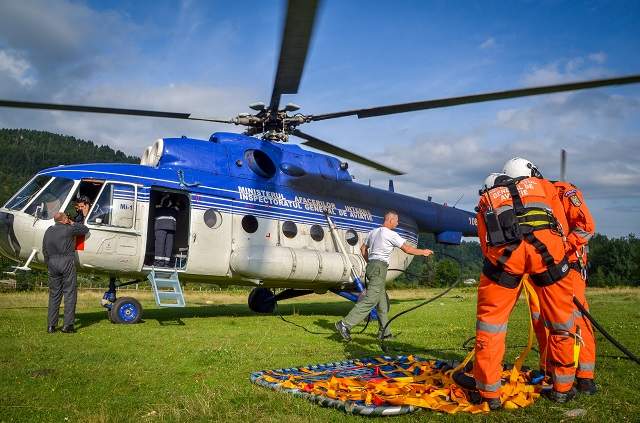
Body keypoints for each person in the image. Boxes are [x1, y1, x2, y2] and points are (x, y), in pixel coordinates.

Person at [472, 157, 582, 408]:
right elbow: (561, 226)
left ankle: (489, 393)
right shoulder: (544, 186)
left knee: (491, 324)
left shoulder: (487, 198)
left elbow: (484, 241)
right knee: (561, 321)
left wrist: (498, 266)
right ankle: (563, 388)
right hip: (548, 255)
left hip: (504, 259)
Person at [530, 179, 597, 394]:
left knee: (576, 317)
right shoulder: (528, 196)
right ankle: (551, 369)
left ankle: (585, 377)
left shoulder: (564, 192)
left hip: (569, 266)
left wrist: (562, 248)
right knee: (541, 318)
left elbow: (586, 227)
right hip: (543, 269)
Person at [335, 210, 433, 342]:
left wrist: (370, 262)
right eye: (396, 221)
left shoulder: (373, 232)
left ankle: (384, 333)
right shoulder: (391, 234)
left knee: (382, 305)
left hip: (372, 267)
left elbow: (363, 249)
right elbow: (407, 249)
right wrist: (423, 252)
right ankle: (344, 324)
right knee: (370, 300)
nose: (397, 224)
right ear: (390, 220)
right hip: (379, 268)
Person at [42, 212, 89, 333]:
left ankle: (51, 326)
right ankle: (68, 325)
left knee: (54, 294)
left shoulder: (48, 230)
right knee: (69, 293)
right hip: (66, 261)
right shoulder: (69, 229)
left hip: (52, 262)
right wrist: (72, 222)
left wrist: (49, 263)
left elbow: (44, 249)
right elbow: (84, 229)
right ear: (64, 220)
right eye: (67, 218)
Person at [154, 194, 179, 267]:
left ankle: (159, 262)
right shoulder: (175, 197)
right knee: (169, 245)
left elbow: (157, 206)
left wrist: (165, 197)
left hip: (161, 223)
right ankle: (166, 263)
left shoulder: (160, 196)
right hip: (171, 225)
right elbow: (179, 208)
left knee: (160, 244)